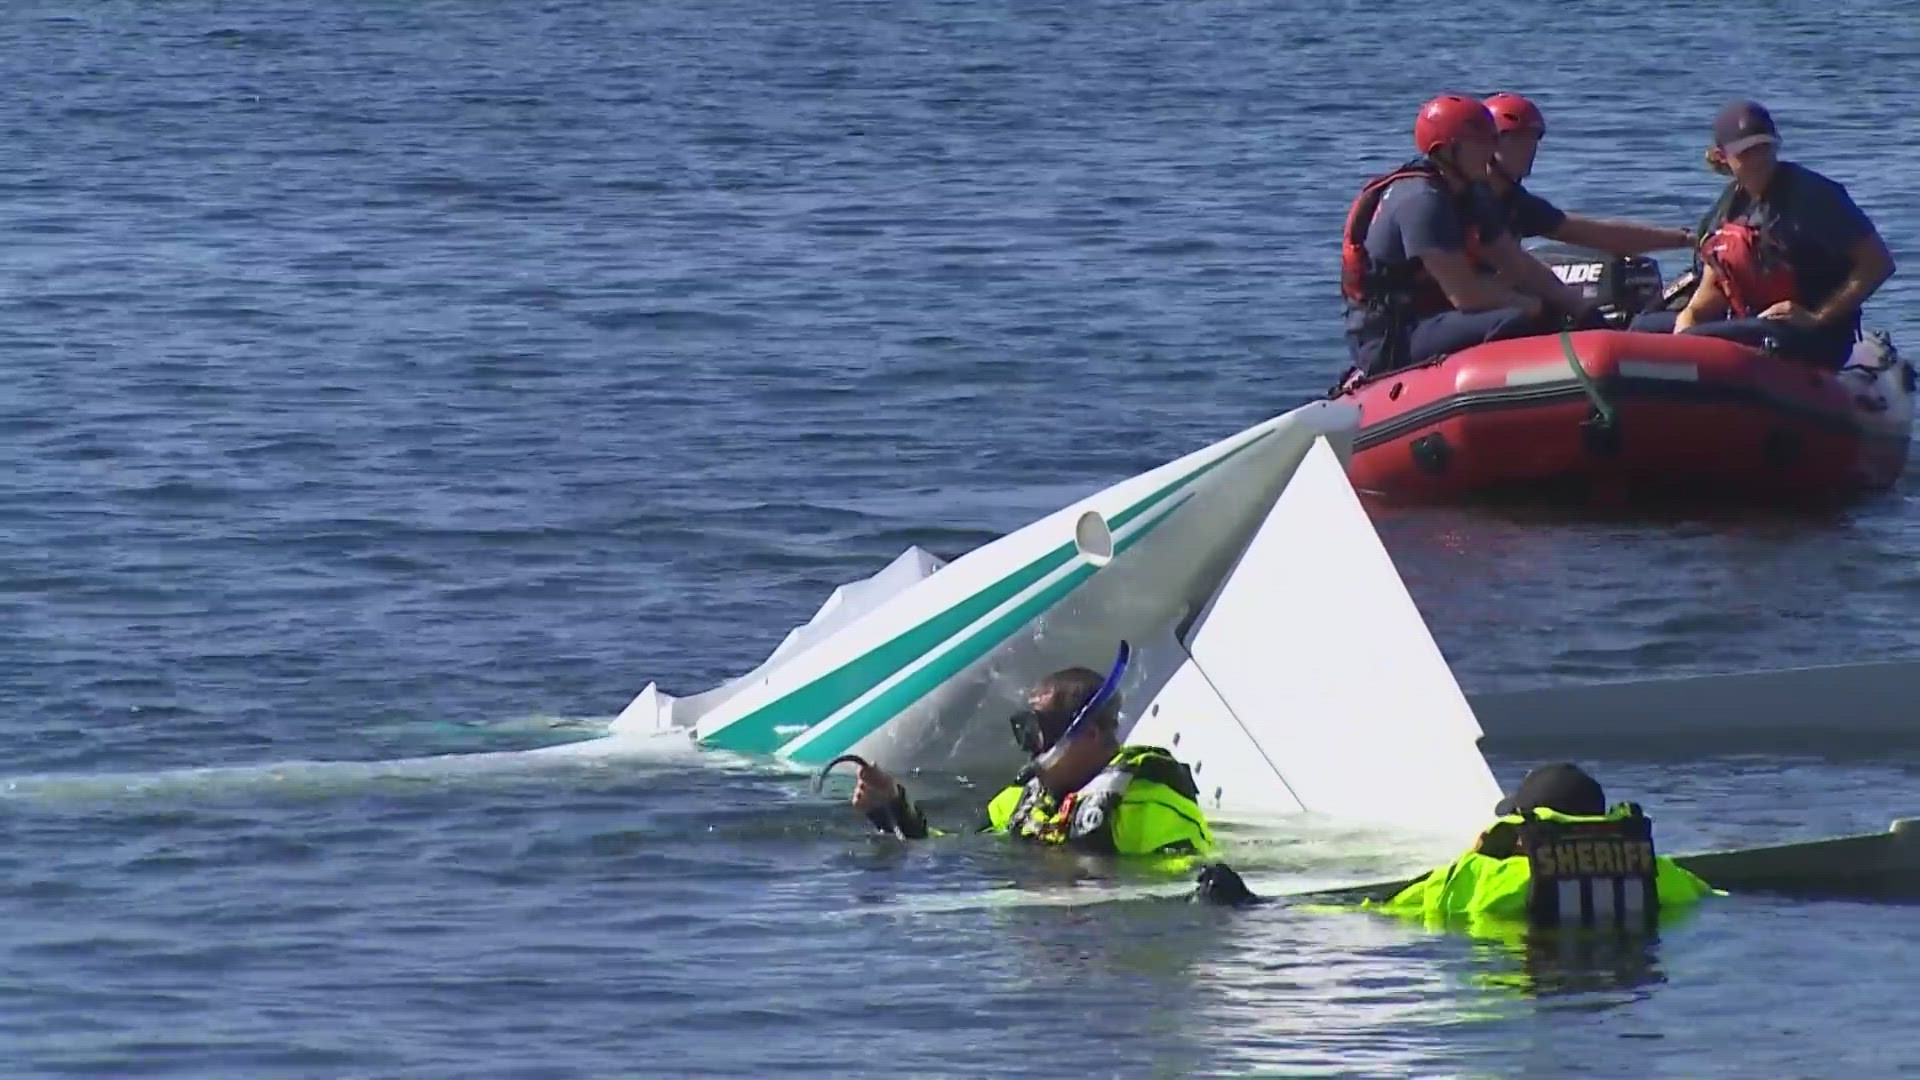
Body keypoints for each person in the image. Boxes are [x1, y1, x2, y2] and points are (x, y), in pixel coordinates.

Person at [846, 660, 1255, 903]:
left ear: (1091, 734)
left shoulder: (1146, 808)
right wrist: (892, 807)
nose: (1031, 746)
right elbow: (950, 851)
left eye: (1039, 731)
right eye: (1025, 730)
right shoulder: (1018, 802)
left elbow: (1190, 878)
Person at [1341, 94, 1598, 382]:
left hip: (1435, 319)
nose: (1490, 151)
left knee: (1551, 313)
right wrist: (1536, 306)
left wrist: (1576, 306)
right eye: (1480, 143)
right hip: (1394, 336)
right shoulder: (1422, 201)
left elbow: (1518, 265)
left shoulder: (1470, 195)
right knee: (1517, 319)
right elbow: (1465, 294)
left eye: (1492, 140)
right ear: (1447, 152)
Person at [1628, 100, 1896, 369]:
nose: (1759, 158)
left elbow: (1878, 264)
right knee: (1643, 327)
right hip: (1752, 322)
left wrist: (1818, 317)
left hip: (1811, 333)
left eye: (1764, 146)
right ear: (1721, 156)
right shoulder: (1725, 211)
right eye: (1746, 152)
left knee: (1701, 337)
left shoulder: (1813, 196)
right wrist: (1688, 319)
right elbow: (1711, 291)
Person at [1361, 762, 1721, 931]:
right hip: (1625, 981)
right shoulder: (1656, 870)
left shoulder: (1487, 877)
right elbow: (1710, 896)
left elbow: (1389, 907)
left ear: (1524, 827)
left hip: (1534, 978)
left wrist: (1477, 856)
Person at [1481, 92, 1695, 255]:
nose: (1528, 148)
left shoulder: (1515, 203)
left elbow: (1597, 233)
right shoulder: (1463, 199)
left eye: (1533, 138)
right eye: (1517, 139)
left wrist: (1685, 239)